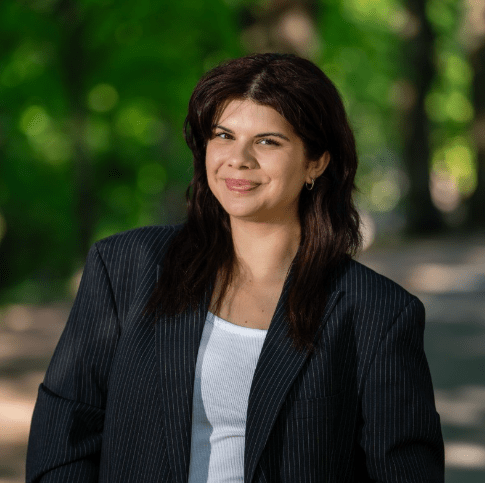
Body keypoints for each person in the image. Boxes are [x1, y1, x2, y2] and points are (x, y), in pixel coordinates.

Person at [26, 53, 444, 482]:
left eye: (268, 141)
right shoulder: (124, 269)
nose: (238, 159)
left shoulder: (378, 315)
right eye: (224, 135)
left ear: (316, 162)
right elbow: (63, 440)